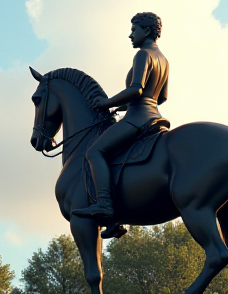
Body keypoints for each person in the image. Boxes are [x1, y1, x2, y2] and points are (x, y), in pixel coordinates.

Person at [72, 12, 169, 220]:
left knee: (94, 152)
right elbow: (161, 97)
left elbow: (136, 90)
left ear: (147, 30)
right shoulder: (163, 59)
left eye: (134, 29)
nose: (130, 35)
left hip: (138, 119)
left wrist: (106, 103)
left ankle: (104, 203)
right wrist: (123, 106)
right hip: (154, 117)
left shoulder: (143, 55)